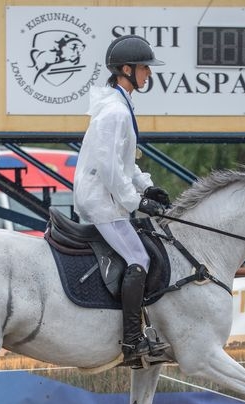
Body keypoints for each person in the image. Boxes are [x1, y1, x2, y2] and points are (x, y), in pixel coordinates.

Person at [73, 35, 170, 368]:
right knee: (139, 257)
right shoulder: (114, 112)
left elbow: (127, 162)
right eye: (144, 68)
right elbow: (111, 170)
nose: (149, 74)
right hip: (101, 201)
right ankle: (131, 342)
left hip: (108, 197)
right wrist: (137, 202)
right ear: (126, 69)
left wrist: (147, 186)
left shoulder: (120, 104)